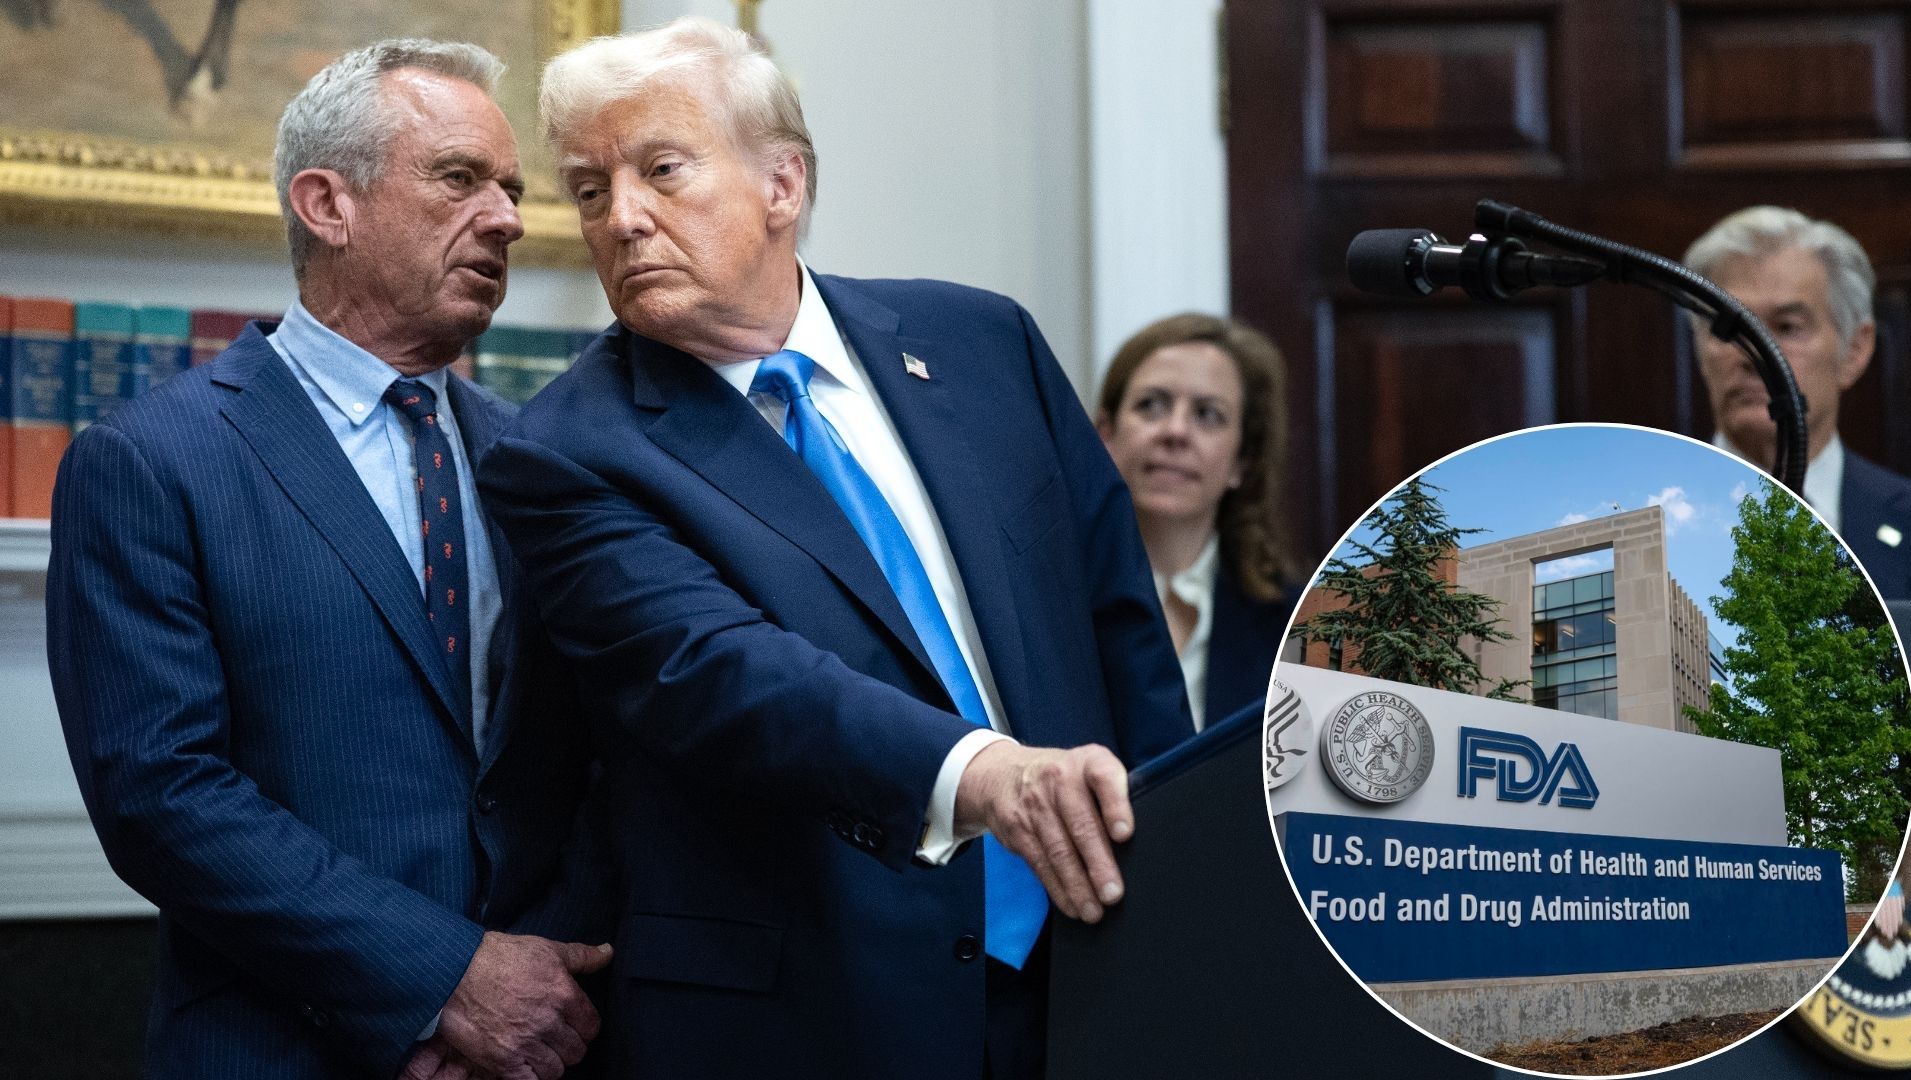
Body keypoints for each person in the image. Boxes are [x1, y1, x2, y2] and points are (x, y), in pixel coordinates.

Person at [475, 17, 1191, 1080]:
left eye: (662, 170)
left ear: (783, 184)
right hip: (813, 1014)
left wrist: (1188, 874)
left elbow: (1117, 625)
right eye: (588, 190)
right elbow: (721, 674)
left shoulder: (983, 344)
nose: (621, 218)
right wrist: (985, 775)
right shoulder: (567, 449)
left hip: (1089, 970)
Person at [47, 40, 609, 1080]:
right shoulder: (150, 463)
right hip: (282, 1047)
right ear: (327, 204)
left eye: (513, 190)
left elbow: (589, 760)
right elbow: (162, 797)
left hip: (537, 1044)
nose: (507, 219)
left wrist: (534, 982)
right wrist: (442, 983)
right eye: (460, 179)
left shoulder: (537, 458)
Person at [1684, 206, 1911, 601]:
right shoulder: (1651, 509)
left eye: (1787, 327)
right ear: (1699, 346)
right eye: (1729, 329)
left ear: (1854, 350)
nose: (1754, 355)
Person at [1096, 314, 1300, 728]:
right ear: (1106, 435)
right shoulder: (1049, 605)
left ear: (1242, 461)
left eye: (1208, 414)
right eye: (1151, 405)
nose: (1176, 431)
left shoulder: (1298, 630)